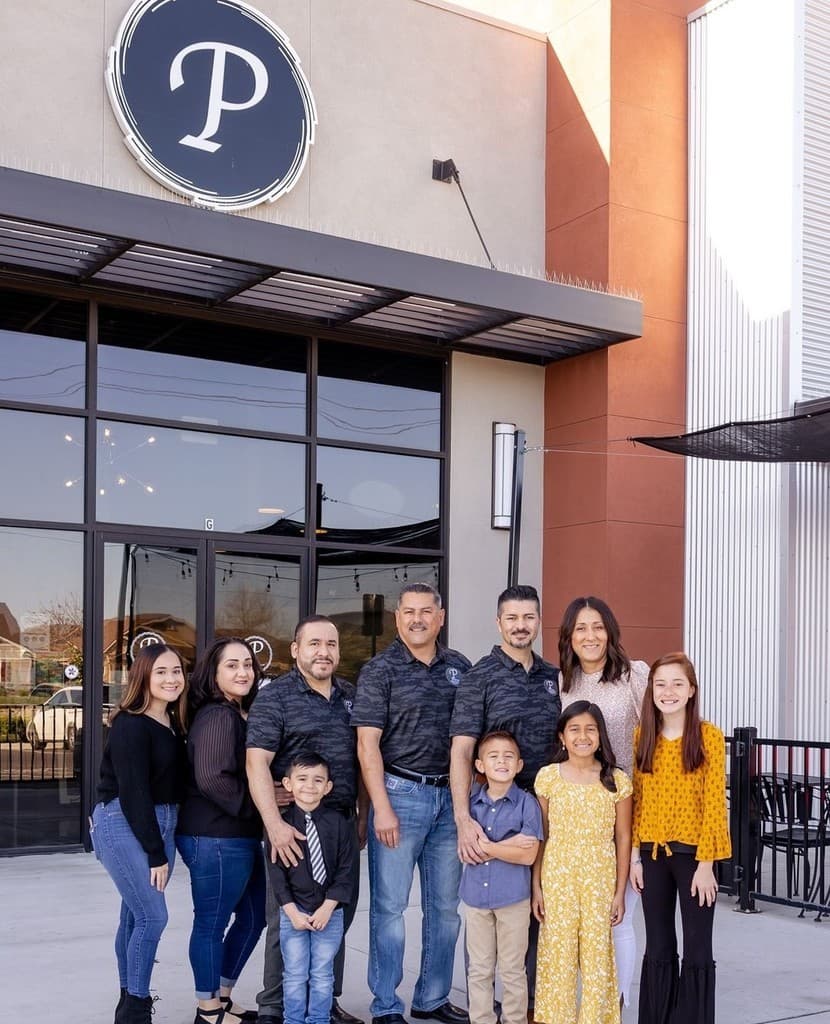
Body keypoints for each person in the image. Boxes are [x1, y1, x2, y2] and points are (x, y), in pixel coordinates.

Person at [351, 582, 472, 1024]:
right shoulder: (379, 671)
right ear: (397, 618)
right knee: (389, 909)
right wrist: (380, 807)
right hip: (400, 796)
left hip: (451, 800)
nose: (417, 619)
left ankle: (431, 998)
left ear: (440, 618)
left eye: (425, 611)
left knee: (445, 911)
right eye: (408, 612)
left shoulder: (460, 667)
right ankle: (385, 1004)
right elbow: (367, 745)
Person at [246, 616, 365, 1024]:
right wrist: (275, 825)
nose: (323, 652)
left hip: (341, 825)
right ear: (296, 649)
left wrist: (363, 814)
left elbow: (363, 758)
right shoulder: (275, 698)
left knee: (336, 914)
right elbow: (256, 763)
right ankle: (274, 1006)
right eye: (314, 644)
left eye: (331, 644)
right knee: (286, 917)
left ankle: (324, 1003)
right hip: (292, 827)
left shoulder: (351, 696)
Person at [449, 584, 559, 1012]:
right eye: (512, 618)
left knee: (534, 907)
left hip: (543, 806)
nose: (520, 625)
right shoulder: (480, 677)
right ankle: (482, 1011)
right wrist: (463, 819)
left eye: (528, 617)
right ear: (499, 623)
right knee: (486, 914)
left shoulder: (553, 677)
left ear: (538, 621)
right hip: (493, 808)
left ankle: (526, 1007)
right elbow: (462, 750)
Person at [557, 596, 649, 1009]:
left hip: (627, 810)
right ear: (569, 636)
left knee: (619, 917)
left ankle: (617, 1005)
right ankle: (587, 1004)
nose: (590, 636)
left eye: (597, 626)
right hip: (578, 819)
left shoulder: (633, 676)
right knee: (582, 924)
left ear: (610, 632)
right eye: (581, 628)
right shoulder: (563, 681)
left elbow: (655, 742)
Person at [630, 654, 731, 1024]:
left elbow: (715, 804)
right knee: (658, 944)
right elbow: (638, 800)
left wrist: (706, 865)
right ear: (651, 690)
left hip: (694, 857)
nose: (668, 691)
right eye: (660, 684)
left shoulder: (708, 737)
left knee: (697, 947)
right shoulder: (643, 736)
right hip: (652, 854)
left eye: (677, 684)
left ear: (691, 691)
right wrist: (635, 858)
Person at [90, 643, 187, 1024]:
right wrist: (155, 852)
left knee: (134, 916)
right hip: (124, 820)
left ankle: (127, 1001)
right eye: (161, 671)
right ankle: (136, 1009)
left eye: (176, 671)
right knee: (153, 917)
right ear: (143, 677)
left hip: (162, 821)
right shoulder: (130, 724)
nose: (171, 679)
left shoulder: (173, 724)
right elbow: (133, 792)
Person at [176, 637, 267, 1024]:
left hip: (237, 836)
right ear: (213, 673)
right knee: (211, 923)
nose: (243, 672)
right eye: (232, 665)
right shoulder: (218, 716)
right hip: (214, 837)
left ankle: (223, 996)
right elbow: (213, 778)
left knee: (254, 917)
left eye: (248, 664)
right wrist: (260, 806)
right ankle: (208, 1009)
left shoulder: (238, 713)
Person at [532, 702, 632, 1024]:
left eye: (591, 729)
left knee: (597, 956)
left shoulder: (616, 780)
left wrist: (620, 892)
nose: (583, 736)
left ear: (601, 736)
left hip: (599, 877)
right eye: (574, 729)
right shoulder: (549, 777)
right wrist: (536, 887)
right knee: (558, 955)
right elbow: (542, 835)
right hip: (557, 876)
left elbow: (624, 837)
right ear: (562, 737)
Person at [460, 731, 543, 1024]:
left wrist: (488, 847)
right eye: (493, 756)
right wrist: (510, 845)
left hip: (513, 900)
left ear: (519, 765)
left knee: (512, 969)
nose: (501, 762)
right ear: (480, 765)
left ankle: (514, 1020)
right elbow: (467, 851)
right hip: (475, 900)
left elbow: (528, 855)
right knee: (479, 969)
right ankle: (481, 1019)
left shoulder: (527, 804)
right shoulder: (470, 806)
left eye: (509, 756)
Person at [269, 752, 356, 1024]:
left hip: (329, 913)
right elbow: (276, 876)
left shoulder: (340, 824)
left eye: (318, 780)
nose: (310, 785)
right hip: (293, 912)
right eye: (302, 778)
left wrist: (328, 907)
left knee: (322, 973)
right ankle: (293, 1020)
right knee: (294, 973)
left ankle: (319, 1019)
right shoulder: (279, 826)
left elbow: (346, 870)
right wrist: (292, 912)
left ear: (328, 787)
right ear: (288, 783)